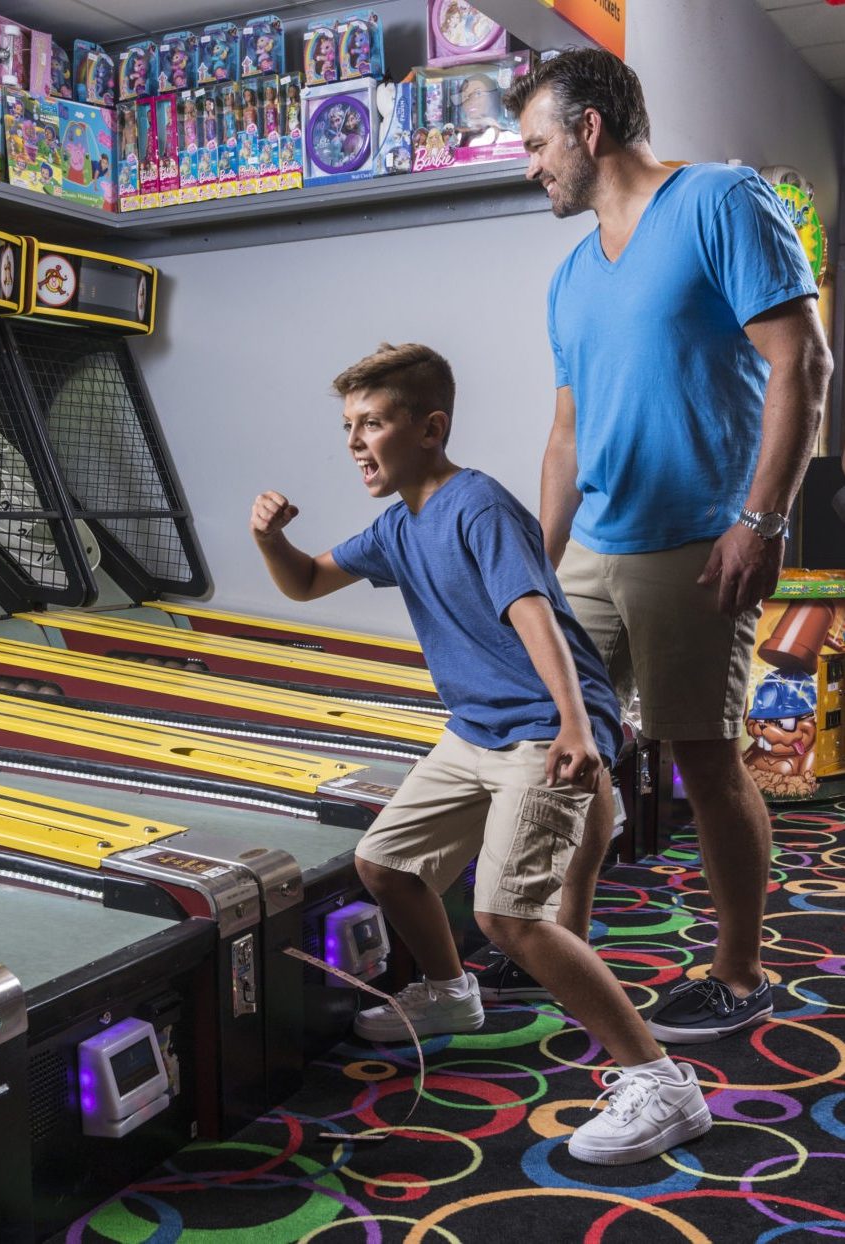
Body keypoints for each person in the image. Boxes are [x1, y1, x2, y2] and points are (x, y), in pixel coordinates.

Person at [251, 342, 712, 1165]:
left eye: (375, 423)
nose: (357, 441)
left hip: (544, 728)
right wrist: (270, 541)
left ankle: (663, 1084)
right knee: (386, 863)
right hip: (475, 729)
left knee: (507, 916)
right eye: (350, 426)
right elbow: (308, 583)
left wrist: (576, 727)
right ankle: (447, 992)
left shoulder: (477, 506)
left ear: (429, 428)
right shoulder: (399, 525)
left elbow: (535, 613)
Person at [489, 50, 832, 1041]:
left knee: (701, 755)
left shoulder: (721, 200)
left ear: (587, 128)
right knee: (562, 745)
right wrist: (532, 571)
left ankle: (737, 969)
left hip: (697, 544)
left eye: (536, 144)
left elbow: (798, 362)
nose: (530, 166)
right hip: (593, 547)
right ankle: (563, 932)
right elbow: (565, 436)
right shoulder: (567, 276)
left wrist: (759, 521)